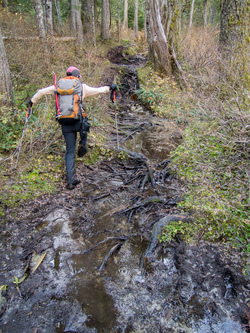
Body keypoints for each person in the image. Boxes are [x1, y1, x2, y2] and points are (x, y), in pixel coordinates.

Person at [27, 66, 117, 190]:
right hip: (78, 123)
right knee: (86, 125)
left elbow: (41, 92)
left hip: (65, 123)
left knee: (70, 152)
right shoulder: (81, 87)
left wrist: (32, 101)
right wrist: (109, 88)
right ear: (77, 76)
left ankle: (71, 181)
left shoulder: (57, 87)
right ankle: (83, 143)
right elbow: (98, 90)